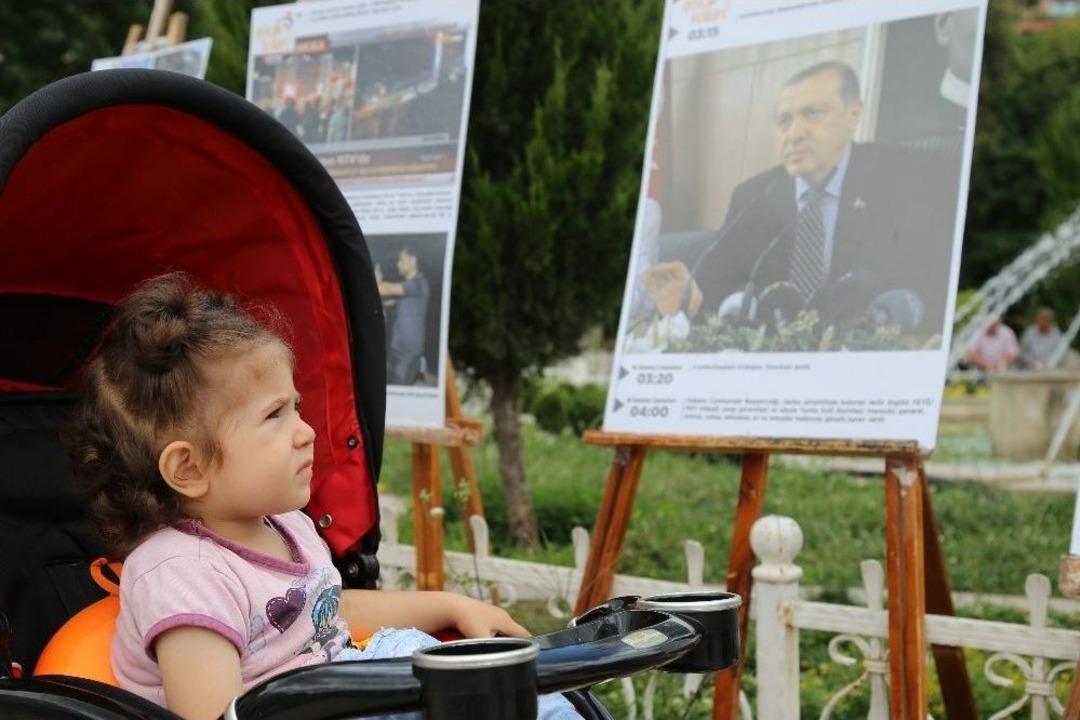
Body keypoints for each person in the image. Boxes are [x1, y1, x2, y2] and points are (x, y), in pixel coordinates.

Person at [65, 274, 579, 720]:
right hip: (304, 708)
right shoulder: (181, 574)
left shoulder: (285, 524)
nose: (306, 431)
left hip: (348, 687)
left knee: (523, 697)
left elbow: (330, 611)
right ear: (189, 467)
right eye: (274, 415)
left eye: (298, 406)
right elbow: (217, 714)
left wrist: (450, 605)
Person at [647, 61, 955, 339]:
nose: (794, 134)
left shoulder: (905, 178)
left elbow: (929, 286)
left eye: (813, 114)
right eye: (784, 121)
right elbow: (717, 286)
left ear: (853, 114)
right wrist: (688, 300)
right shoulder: (754, 195)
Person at [378, 248, 430, 386]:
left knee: (399, 389)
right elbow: (388, 300)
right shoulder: (409, 290)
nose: (398, 264)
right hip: (398, 349)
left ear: (413, 261)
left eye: (401, 260)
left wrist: (375, 280)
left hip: (407, 354)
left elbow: (386, 289)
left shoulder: (418, 283)